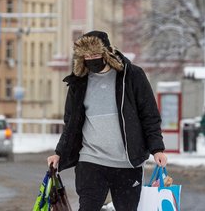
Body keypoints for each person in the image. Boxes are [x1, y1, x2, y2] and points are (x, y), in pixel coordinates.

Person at [46, 31, 167, 211]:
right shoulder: (79, 82)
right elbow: (71, 123)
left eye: (95, 54)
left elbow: (149, 115)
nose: (91, 59)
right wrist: (59, 153)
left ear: (107, 53)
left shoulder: (132, 76)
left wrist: (157, 148)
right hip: (91, 161)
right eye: (86, 56)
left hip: (127, 162)